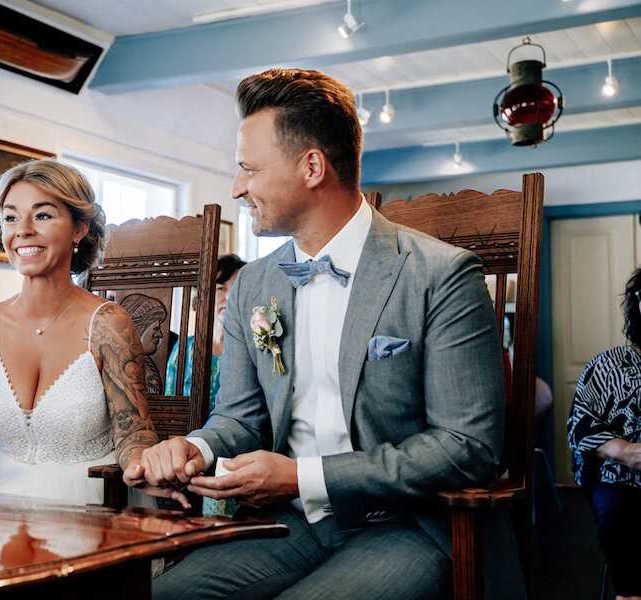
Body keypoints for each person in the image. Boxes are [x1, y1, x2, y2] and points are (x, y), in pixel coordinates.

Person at [132, 68, 523, 599]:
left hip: (410, 522)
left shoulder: (441, 274)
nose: (237, 187)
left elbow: (466, 447)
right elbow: (240, 418)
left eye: (249, 168)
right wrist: (195, 448)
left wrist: (301, 477)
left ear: (312, 167)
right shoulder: (254, 284)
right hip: (292, 520)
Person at [0, 159, 180, 507]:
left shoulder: (108, 324)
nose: (23, 230)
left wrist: (145, 468)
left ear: (79, 229)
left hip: (87, 502)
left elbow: (134, 432)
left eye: (42, 215)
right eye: (11, 218)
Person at [567, 268, 641, 600]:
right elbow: (579, 424)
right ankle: (630, 593)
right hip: (617, 476)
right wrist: (625, 451)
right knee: (617, 513)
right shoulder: (609, 364)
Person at [165, 254, 247, 411]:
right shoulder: (185, 348)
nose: (230, 296)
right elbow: (169, 407)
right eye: (221, 288)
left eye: (238, 289)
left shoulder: (254, 350)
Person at [120, 293, 168, 395]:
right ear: (137, 330)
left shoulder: (146, 364)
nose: (160, 334)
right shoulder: (122, 366)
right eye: (155, 328)